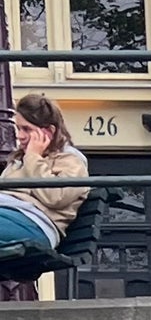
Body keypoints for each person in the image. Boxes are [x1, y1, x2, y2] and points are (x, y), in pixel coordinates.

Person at [0, 95, 89, 255]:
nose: (19, 136)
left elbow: (55, 197)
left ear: (49, 131)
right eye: (18, 128)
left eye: (26, 129)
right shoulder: (19, 159)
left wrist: (34, 157)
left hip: (32, 224)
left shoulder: (71, 160)